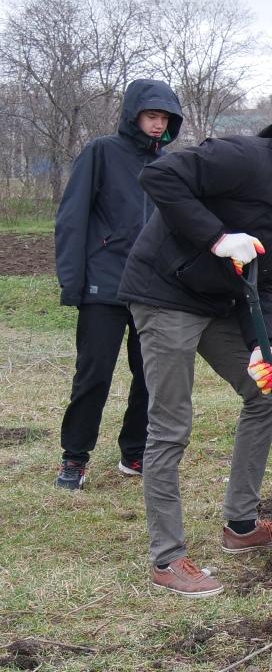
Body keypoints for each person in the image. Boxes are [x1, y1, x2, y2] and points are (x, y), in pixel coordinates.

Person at [118, 118, 272, 597]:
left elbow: (262, 282)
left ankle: (241, 524)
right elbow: (159, 177)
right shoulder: (245, 158)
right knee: (171, 423)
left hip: (216, 305)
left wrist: (262, 346)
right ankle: (167, 558)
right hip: (164, 292)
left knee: (266, 394)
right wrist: (216, 236)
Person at [54, 79, 183, 491]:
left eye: (164, 117)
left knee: (149, 376)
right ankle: (75, 457)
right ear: (133, 115)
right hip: (103, 286)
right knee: (94, 374)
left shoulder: (169, 164)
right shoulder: (101, 152)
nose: (158, 123)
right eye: (151, 115)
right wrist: (73, 284)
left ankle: (134, 452)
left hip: (152, 290)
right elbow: (72, 219)